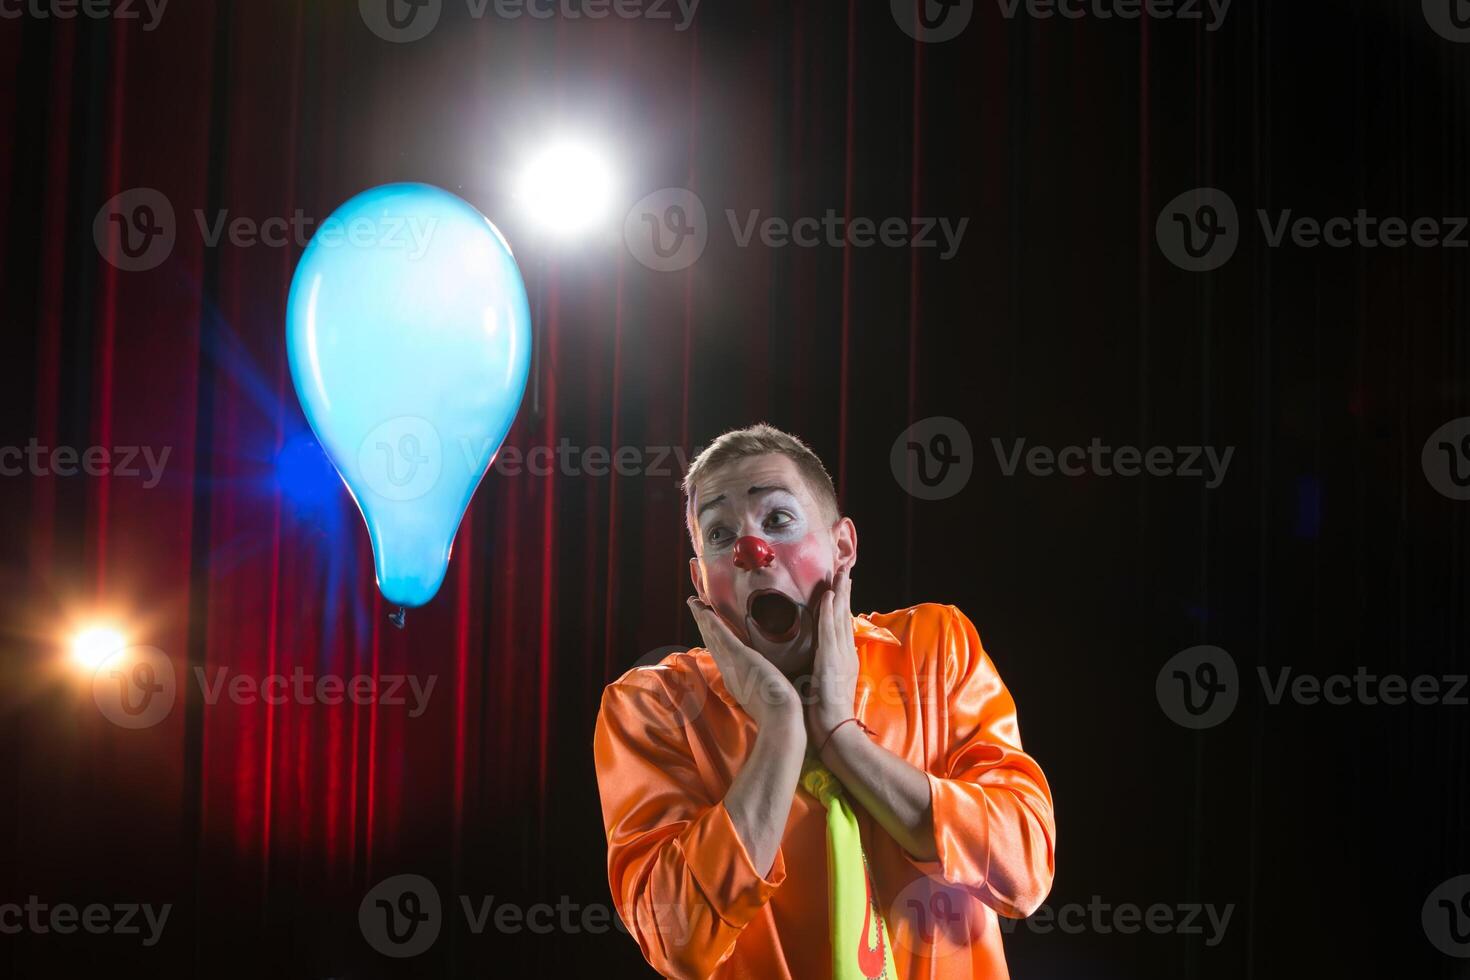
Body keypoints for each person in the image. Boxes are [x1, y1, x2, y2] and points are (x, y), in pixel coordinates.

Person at [594, 424, 1056, 979]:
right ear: (701, 581)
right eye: (719, 535)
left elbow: (1023, 869)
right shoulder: (653, 707)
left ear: (842, 546)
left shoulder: (934, 649)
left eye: (778, 520)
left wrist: (843, 739)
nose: (750, 552)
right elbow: (676, 939)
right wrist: (782, 732)